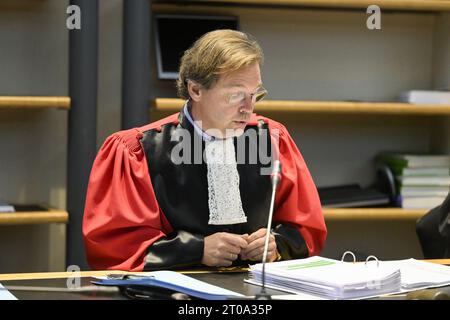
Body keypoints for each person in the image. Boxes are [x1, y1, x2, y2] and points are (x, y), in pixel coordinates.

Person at [83, 30, 327, 271]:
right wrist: (196, 250)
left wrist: (276, 246)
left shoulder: (273, 139)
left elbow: (305, 229)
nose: (248, 108)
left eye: (255, 95)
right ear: (196, 90)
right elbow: (114, 248)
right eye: (236, 95)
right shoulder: (137, 150)